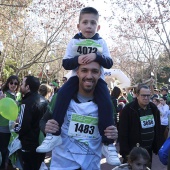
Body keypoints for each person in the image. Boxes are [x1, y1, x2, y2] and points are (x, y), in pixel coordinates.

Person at [36, 7, 119, 165]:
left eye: (93, 23)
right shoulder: (74, 41)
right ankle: (54, 135)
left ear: (98, 27)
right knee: (62, 95)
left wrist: (97, 56)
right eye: (85, 22)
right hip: (74, 79)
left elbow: (109, 62)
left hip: (99, 82)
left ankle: (108, 144)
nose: (89, 26)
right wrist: (78, 60)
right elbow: (66, 63)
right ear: (78, 26)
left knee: (107, 102)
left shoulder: (101, 42)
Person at [40, 61, 118, 169]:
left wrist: (113, 133)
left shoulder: (106, 103)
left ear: (100, 74)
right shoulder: (61, 97)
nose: (89, 76)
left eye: (94, 71)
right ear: (77, 73)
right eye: (84, 70)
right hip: (62, 165)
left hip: (91, 165)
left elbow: (111, 128)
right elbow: (43, 121)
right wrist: (46, 127)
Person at [118, 84, 161, 168]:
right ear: (137, 95)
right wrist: (125, 153)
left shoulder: (153, 108)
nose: (146, 98)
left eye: (148, 96)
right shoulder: (128, 110)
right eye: (143, 95)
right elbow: (123, 132)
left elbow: (157, 129)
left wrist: (157, 146)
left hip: (148, 151)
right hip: (133, 152)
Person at [13, 76, 48, 170]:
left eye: (22, 84)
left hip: (29, 146)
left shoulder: (27, 103)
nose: (20, 86)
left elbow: (24, 126)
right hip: (41, 144)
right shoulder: (44, 101)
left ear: (27, 87)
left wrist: (15, 129)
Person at [0, 75, 20, 170]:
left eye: (16, 83)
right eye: (11, 82)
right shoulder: (3, 94)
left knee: (6, 151)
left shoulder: (16, 96)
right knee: (3, 151)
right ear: (8, 83)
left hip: (11, 129)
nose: (13, 85)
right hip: (2, 127)